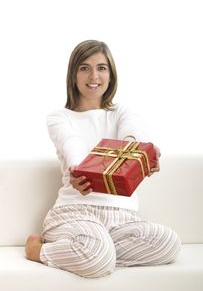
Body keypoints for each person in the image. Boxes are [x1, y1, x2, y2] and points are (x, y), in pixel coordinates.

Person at [25, 40, 181, 278]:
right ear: (73, 75)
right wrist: (79, 168)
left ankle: (95, 252)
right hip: (75, 211)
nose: (93, 75)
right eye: (84, 68)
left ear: (111, 74)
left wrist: (140, 154)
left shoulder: (122, 113)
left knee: (168, 243)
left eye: (101, 67)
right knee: (97, 256)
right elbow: (71, 145)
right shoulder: (59, 117)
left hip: (122, 219)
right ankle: (39, 251)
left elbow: (131, 134)